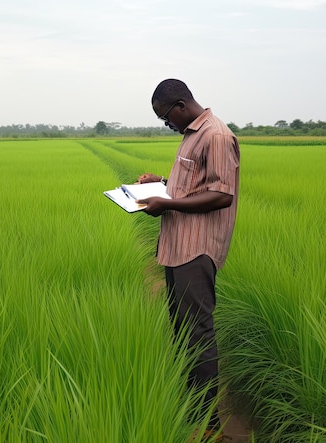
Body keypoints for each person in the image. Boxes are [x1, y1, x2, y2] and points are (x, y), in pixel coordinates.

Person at [137, 79, 240, 433]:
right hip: (177, 246)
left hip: (196, 250)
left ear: (181, 106)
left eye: (167, 118)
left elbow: (221, 194)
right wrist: (161, 182)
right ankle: (191, 405)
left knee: (197, 333)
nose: (168, 125)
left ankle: (208, 424)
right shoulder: (192, 134)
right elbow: (193, 184)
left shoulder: (216, 136)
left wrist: (167, 203)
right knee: (181, 331)